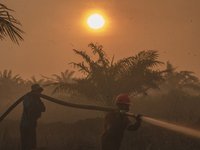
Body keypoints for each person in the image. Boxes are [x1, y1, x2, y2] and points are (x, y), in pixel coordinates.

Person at [20, 84, 46, 150]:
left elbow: (43, 109)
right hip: (25, 124)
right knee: (26, 145)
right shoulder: (27, 98)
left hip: (32, 124)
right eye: (38, 91)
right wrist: (34, 99)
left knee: (32, 145)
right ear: (35, 91)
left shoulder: (38, 99)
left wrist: (38, 99)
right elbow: (30, 107)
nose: (40, 93)